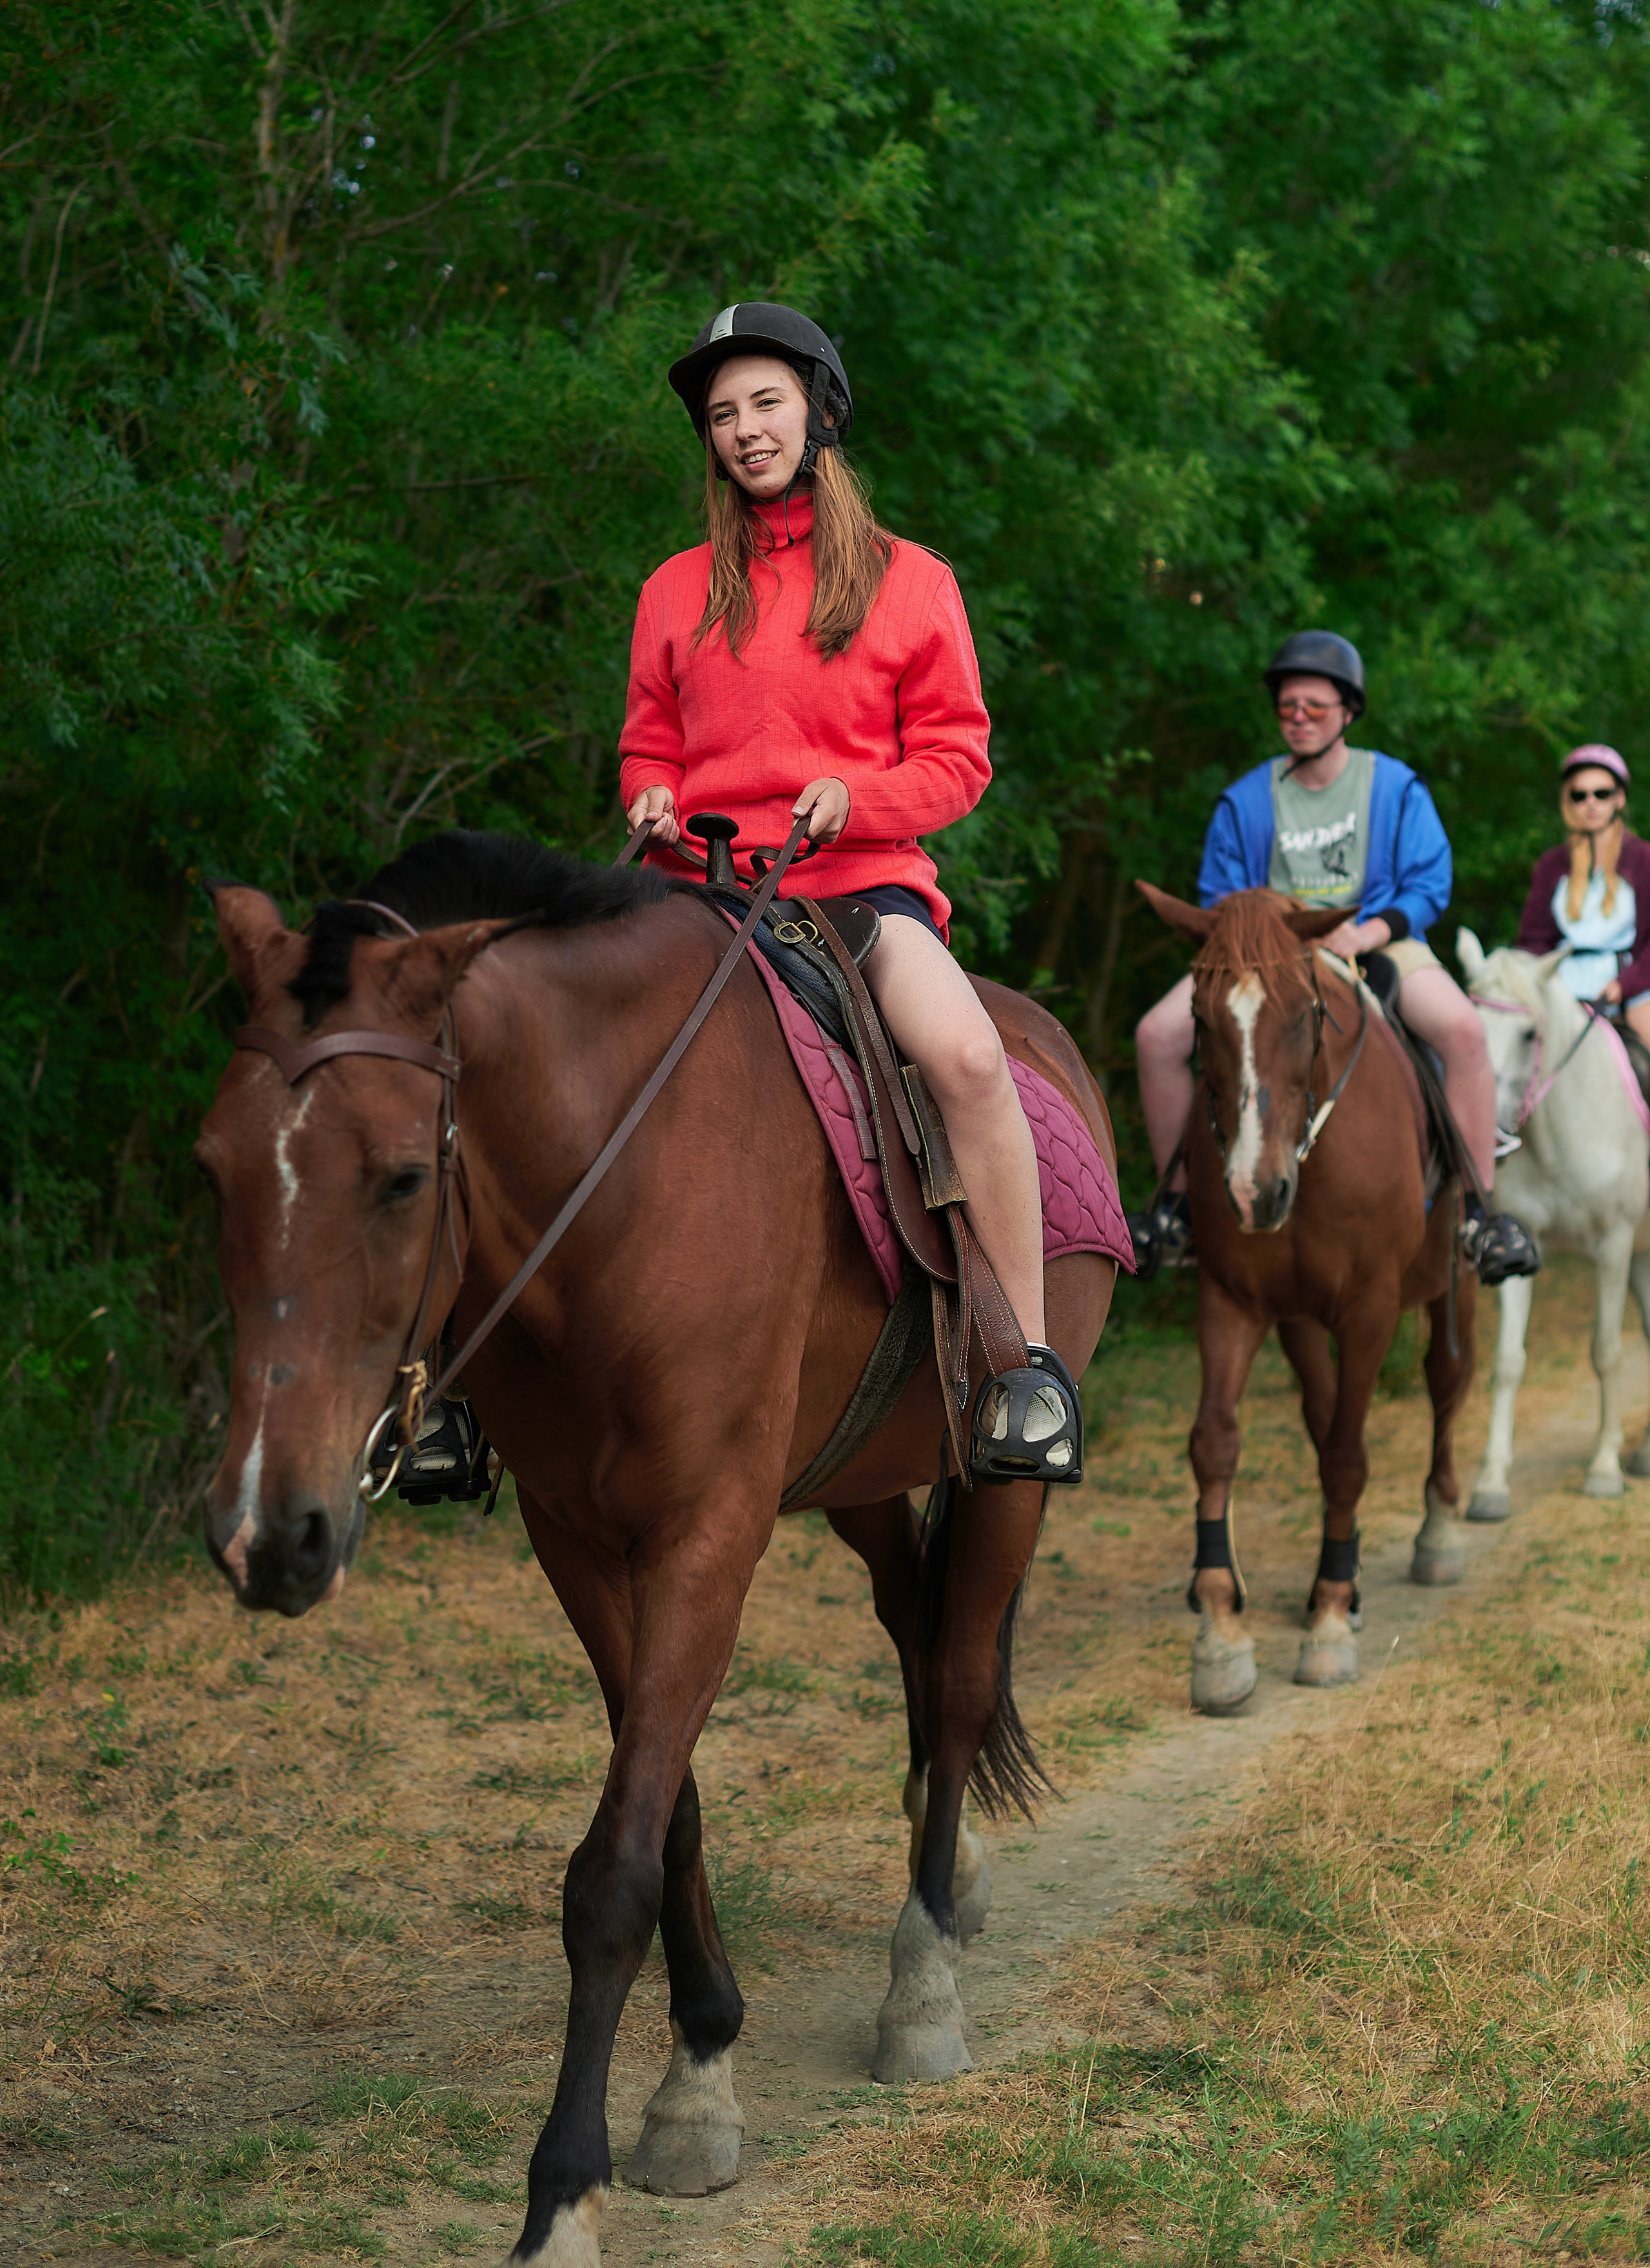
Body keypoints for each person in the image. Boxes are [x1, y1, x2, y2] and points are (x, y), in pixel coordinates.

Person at [617, 301, 1081, 1483]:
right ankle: (465, 1384)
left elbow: (959, 759)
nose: (744, 429)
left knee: (973, 1061)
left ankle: (1025, 1366)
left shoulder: (909, 580)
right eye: (723, 415)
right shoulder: (672, 589)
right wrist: (652, 798)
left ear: (820, 409)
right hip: (701, 893)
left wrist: (853, 798)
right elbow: (647, 742)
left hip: (857, 891)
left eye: (765, 401)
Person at [1129, 630, 1540, 1287]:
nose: (1297, 717)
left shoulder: (1394, 786)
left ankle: (1476, 1213)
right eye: (1288, 707)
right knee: (1155, 1035)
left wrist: (1368, 931)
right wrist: (1277, 938)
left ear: (1348, 711)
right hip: (1266, 954)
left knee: (1463, 1031)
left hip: (1374, 937)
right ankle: (1176, 1208)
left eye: (1314, 707)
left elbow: (1429, 880)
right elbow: (1221, 895)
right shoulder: (1245, 799)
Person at [1517, 746, 1650, 1046]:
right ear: (1570, 802)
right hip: (1560, 986)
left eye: (1601, 794)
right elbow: (1533, 941)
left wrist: (1624, 985)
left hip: (1630, 986)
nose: (1591, 803)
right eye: (1580, 795)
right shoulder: (1552, 865)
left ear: (1620, 798)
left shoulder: (1645, 860)